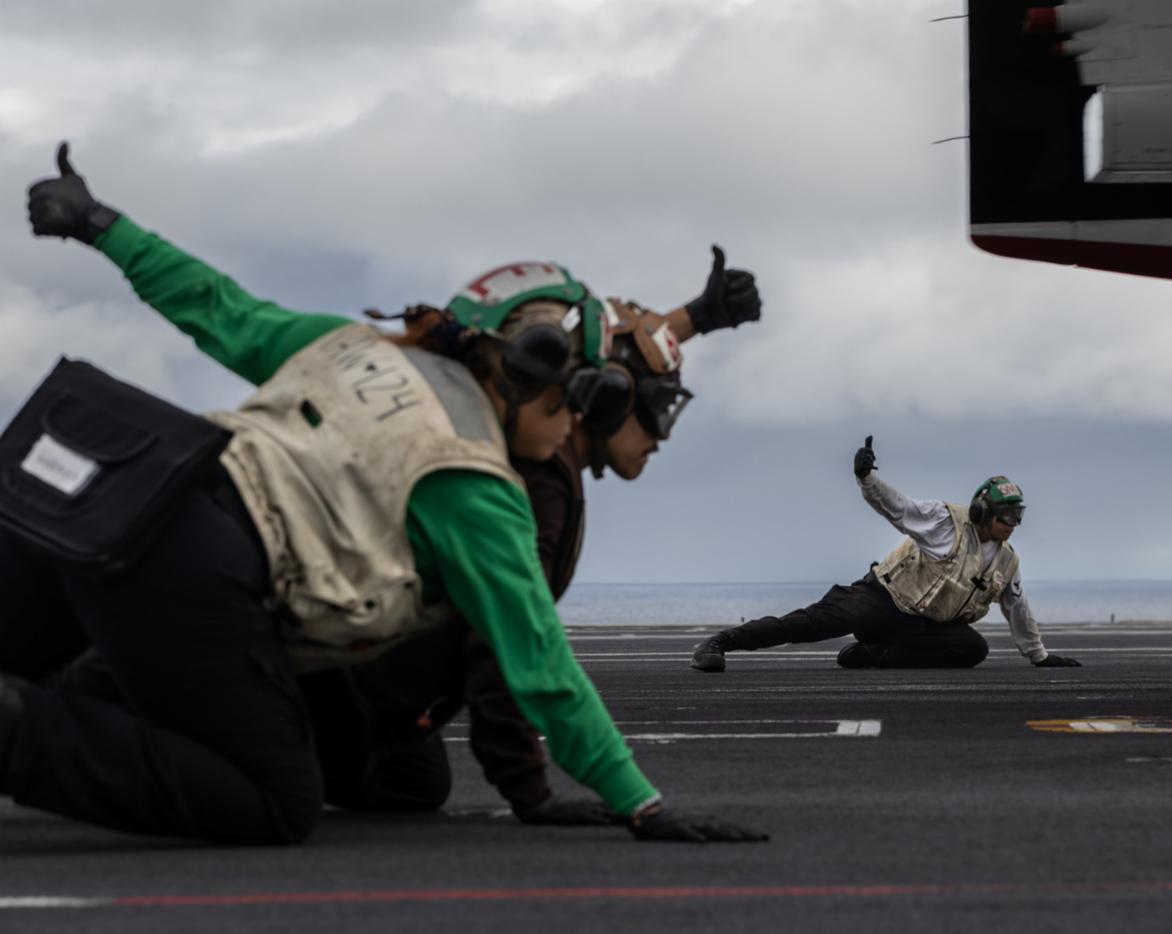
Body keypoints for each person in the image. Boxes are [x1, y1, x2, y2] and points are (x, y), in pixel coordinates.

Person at [0, 142, 765, 844]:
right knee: (273, 798)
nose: (571, 428)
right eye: (579, 400)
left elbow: (215, 306)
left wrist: (102, 223)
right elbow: (541, 668)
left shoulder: (350, 345)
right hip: (198, 564)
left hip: (110, 483)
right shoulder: (473, 482)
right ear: (533, 372)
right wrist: (641, 802)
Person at [302, 281, 759, 825]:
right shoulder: (541, 484)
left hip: (367, 691)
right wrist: (531, 793)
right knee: (277, 803)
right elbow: (505, 646)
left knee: (415, 784)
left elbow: (604, 340)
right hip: (339, 690)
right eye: (656, 409)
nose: (660, 434)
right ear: (608, 398)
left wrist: (698, 318)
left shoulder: (545, 446)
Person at [690, 435, 1082, 672]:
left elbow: (1017, 607)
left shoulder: (1007, 561)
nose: (1013, 522)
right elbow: (899, 507)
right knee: (812, 624)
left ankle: (873, 655)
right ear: (983, 511)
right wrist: (867, 478)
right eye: (1006, 515)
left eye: (1018, 515)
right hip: (880, 599)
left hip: (922, 626)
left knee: (971, 648)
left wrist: (1039, 656)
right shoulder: (946, 522)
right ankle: (720, 642)